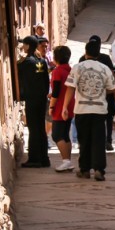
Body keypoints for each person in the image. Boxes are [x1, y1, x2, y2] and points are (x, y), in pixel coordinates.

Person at [63, 38, 115, 181]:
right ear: (98, 54)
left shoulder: (77, 67)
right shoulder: (105, 69)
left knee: (84, 140)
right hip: (100, 111)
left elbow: (70, 88)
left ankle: (85, 169)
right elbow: (112, 88)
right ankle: (99, 169)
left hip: (81, 109)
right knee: (99, 140)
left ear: (85, 52)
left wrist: (65, 107)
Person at [79, 35, 115, 151]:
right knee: (107, 118)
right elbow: (112, 75)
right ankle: (107, 141)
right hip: (106, 93)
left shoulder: (82, 59)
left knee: (95, 118)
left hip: (90, 95)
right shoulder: (105, 58)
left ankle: (95, 142)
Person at [17, 35, 51, 168]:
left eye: (24, 44)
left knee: (33, 128)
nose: (23, 47)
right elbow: (46, 81)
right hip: (41, 99)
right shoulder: (42, 61)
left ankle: (34, 159)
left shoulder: (25, 63)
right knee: (40, 128)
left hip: (31, 99)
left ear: (28, 46)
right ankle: (44, 158)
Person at [49, 45, 75, 172]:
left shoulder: (57, 71)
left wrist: (51, 106)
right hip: (70, 104)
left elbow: (56, 91)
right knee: (65, 134)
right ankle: (67, 160)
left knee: (57, 134)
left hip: (60, 106)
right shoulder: (69, 69)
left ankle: (66, 161)